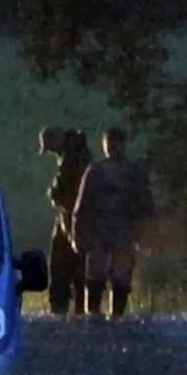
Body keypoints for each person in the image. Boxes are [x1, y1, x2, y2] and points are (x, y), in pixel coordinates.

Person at [69, 126, 155, 317]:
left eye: (115, 143)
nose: (112, 147)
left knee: (120, 278)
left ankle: (116, 315)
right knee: (96, 276)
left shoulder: (131, 172)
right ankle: (93, 313)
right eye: (110, 143)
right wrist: (78, 235)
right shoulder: (96, 171)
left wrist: (144, 233)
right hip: (100, 232)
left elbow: (144, 206)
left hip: (123, 232)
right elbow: (81, 207)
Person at [38, 125, 92, 315]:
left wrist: (55, 195)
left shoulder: (73, 159)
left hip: (73, 219)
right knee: (76, 268)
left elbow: (67, 193)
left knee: (63, 265)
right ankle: (79, 308)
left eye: (51, 148)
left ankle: (64, 308)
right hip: (75, 218)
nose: (52, 153)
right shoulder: (76, 154)